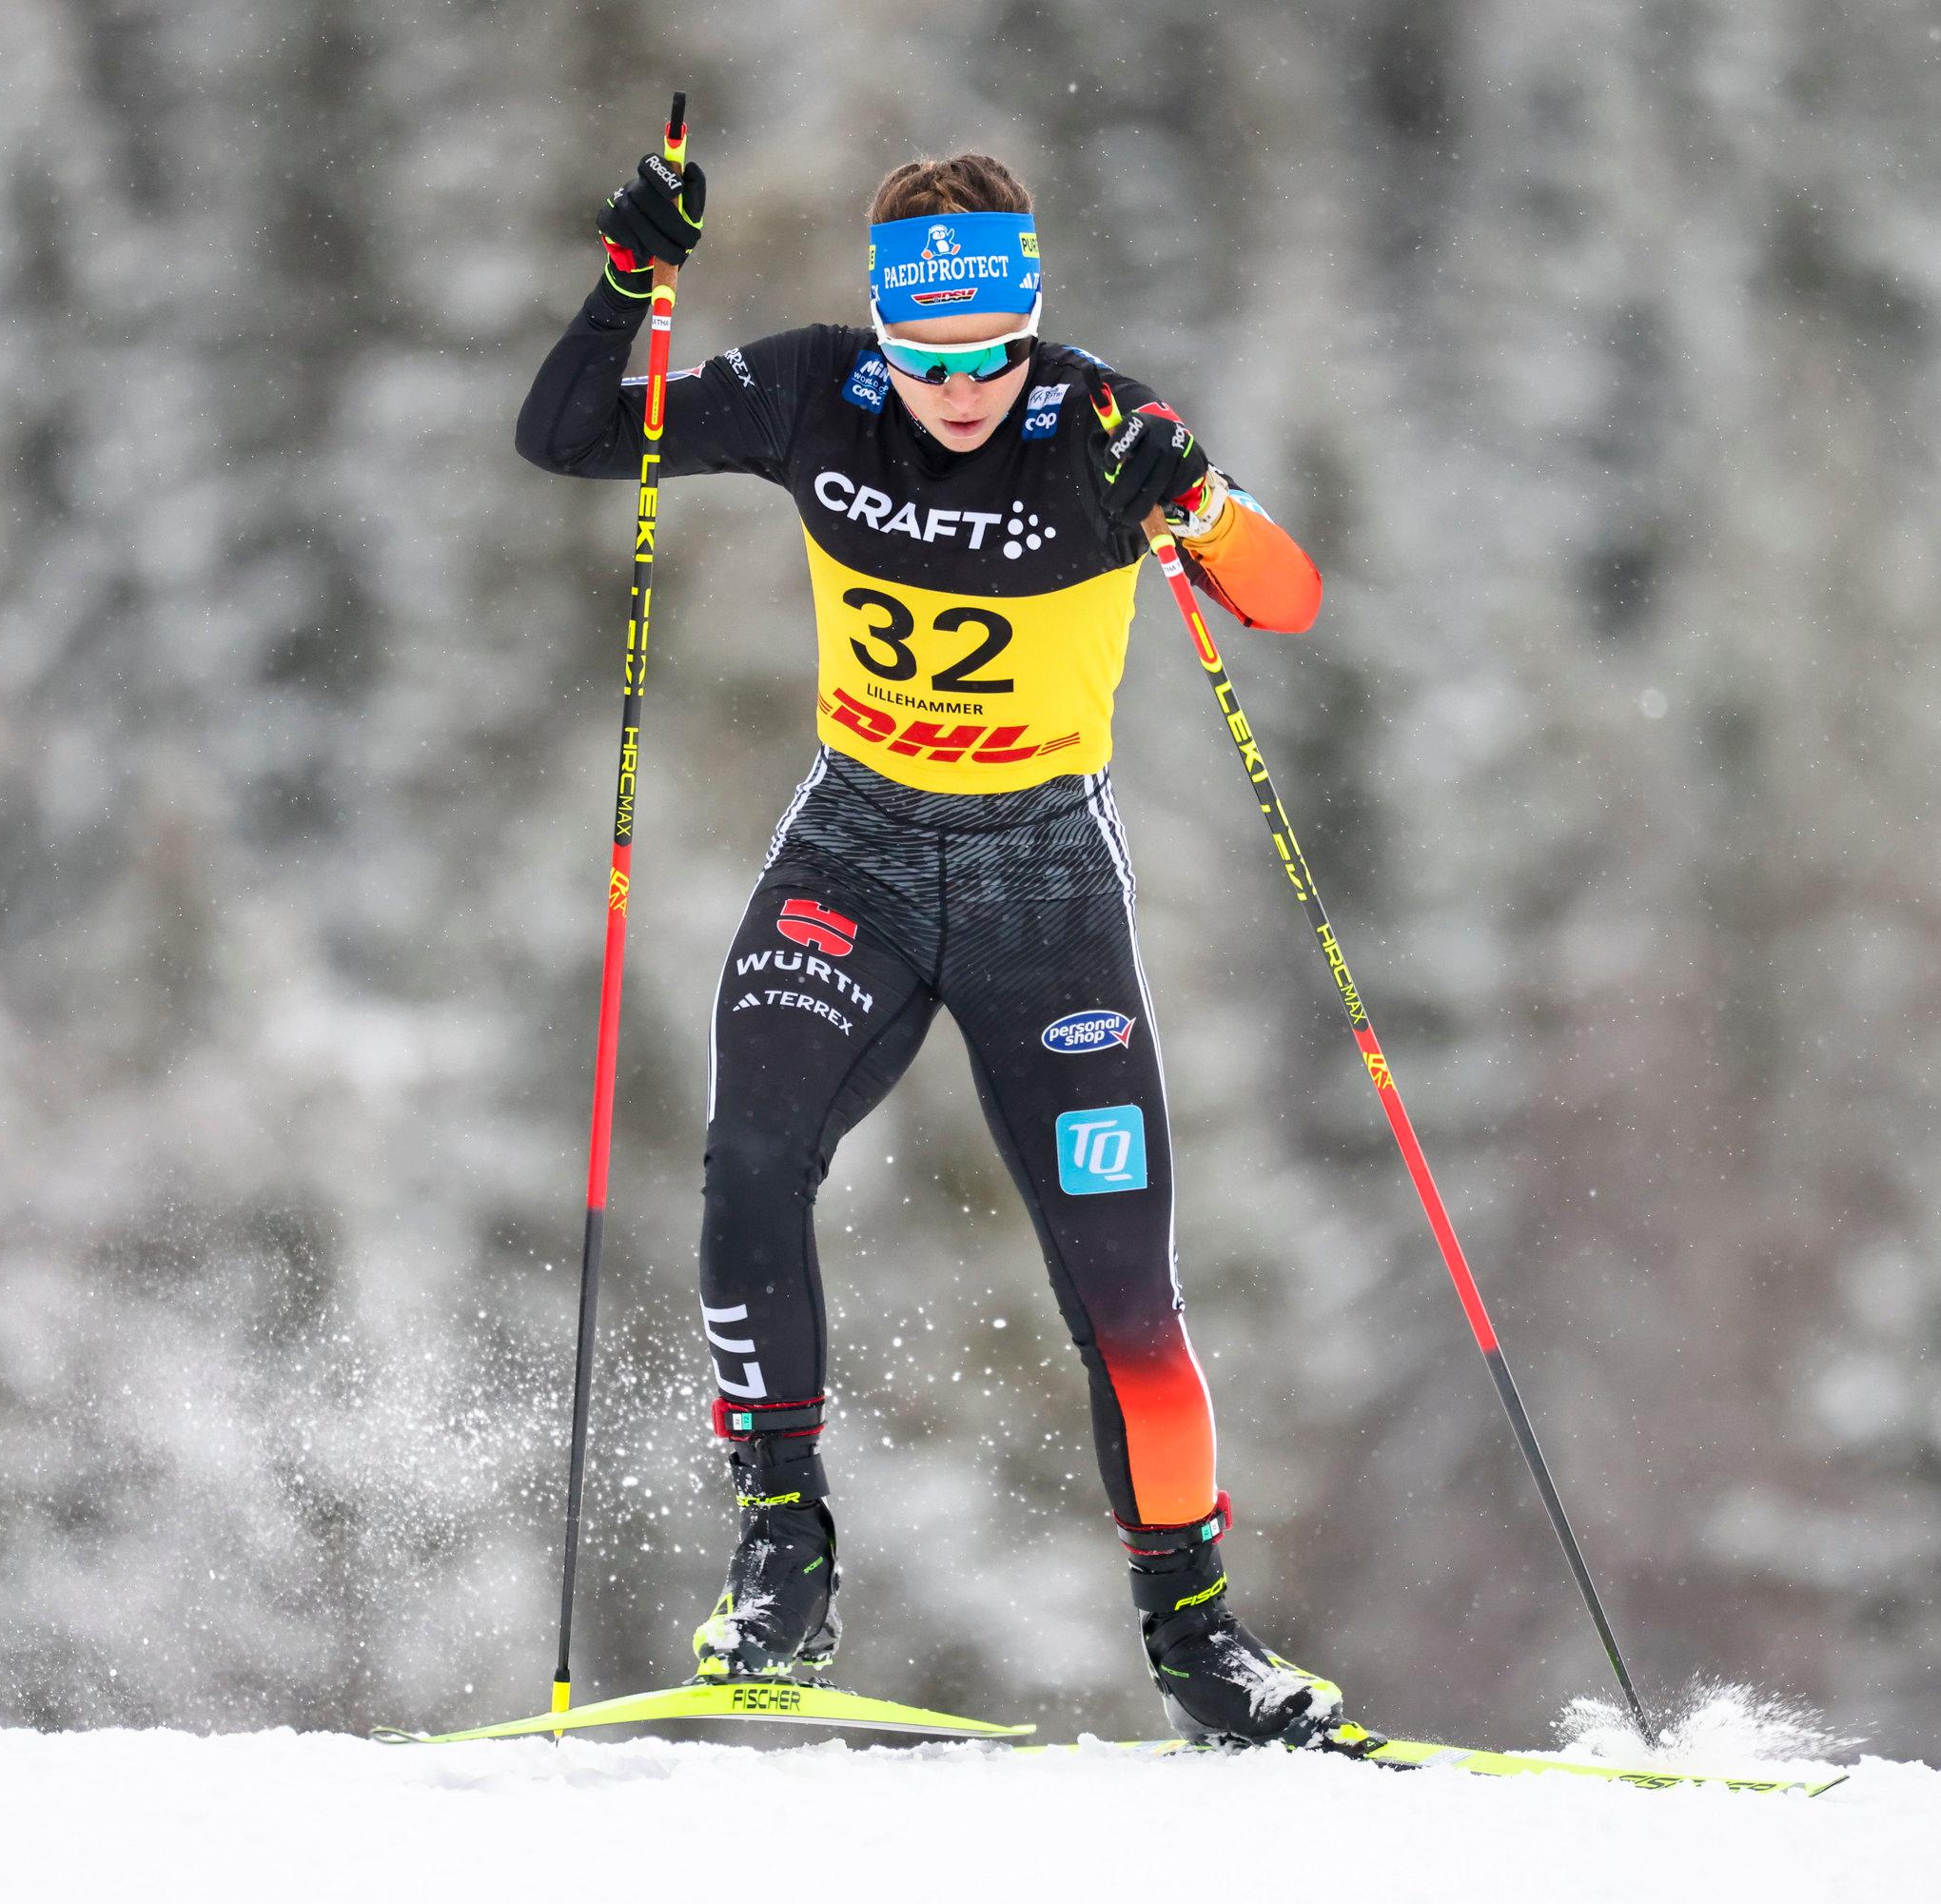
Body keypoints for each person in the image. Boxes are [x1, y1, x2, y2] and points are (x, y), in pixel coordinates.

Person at [516, 147, 1360, 1750]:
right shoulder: (815, 392)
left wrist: (1199, 496)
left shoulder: (1100, 426)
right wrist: (627, 281)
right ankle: (784, 1547)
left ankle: (1198, 1640)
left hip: (1048, 885)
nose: (963, 389)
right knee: (751, 1158)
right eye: (930, 360)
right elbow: (566, 435)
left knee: (1126, 1295)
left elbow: (1287, 596)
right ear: (885, 335)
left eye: (996, 353)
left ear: (1032, 322)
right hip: (860, 848)